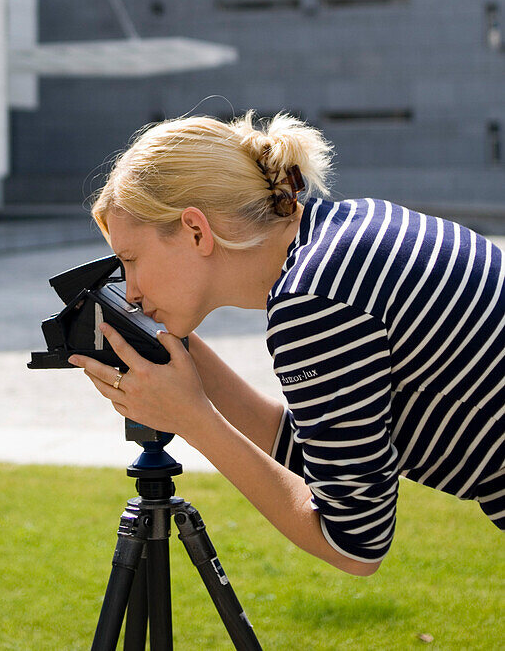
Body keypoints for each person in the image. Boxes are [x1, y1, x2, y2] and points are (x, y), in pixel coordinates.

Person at [67, 110, 505, 576]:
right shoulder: (347, 238)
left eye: (131, 260)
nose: (129, 291)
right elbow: (321, 456)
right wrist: (174, 350)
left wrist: (193, 421)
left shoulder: (313, 301)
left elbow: (355, 545)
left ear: (196, 230)